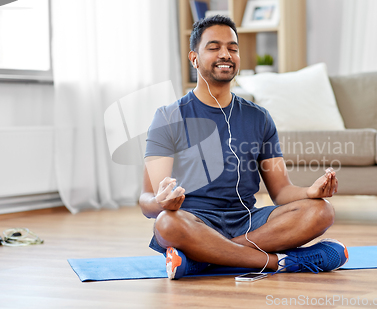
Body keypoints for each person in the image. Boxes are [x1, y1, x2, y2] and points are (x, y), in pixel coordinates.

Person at [139, 15, 348, 280]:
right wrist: (160, 202)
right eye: (214, 47)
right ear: (194, 58)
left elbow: (281, 192)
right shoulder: (168, 116)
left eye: (233, 48)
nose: (225, 54)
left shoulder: (259, 117)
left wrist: (310, 191)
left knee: (321, 210)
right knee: (166, 223)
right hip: (194, 222)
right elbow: (146, 200)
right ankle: (278, 262)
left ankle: (203, 259)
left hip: (248, 221)